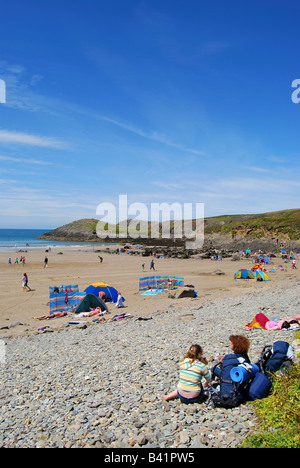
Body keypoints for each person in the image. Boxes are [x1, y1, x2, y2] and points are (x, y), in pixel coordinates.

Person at [211, 335, 250, 408]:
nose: (229, 344)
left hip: (227, 396)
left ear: (235, 346)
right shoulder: (244, 359)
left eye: (231, 343)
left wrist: (221, 364)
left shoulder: (228, 358)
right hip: (239, 395)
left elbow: (224, 373)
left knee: (213, 369)